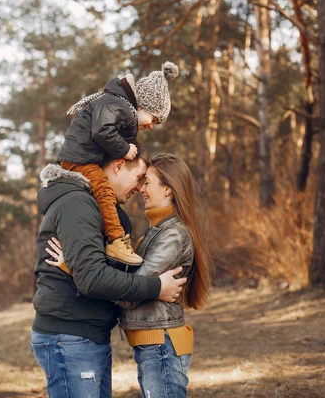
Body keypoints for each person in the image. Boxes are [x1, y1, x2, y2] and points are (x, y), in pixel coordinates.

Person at [45, 153, 213, 398]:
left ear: (168, 189)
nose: (141, 189)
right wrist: (80, 266)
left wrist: (78, 271)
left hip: (162, 342)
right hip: (155, 342)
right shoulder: (156, 232)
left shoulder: (173, 235)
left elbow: (130, 293)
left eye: (147, 182)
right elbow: (130, 281)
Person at [57, 61, 179, 265]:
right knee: (104, 190)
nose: (151, 126)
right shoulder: (117, 104)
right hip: (79, 158)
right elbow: (101, 131)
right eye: (153, 119)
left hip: (83, 157)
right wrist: (124, 149)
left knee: (104, 195)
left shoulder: (118, 107)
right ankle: (115, 241)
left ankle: (114, 240)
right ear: (142, 106)